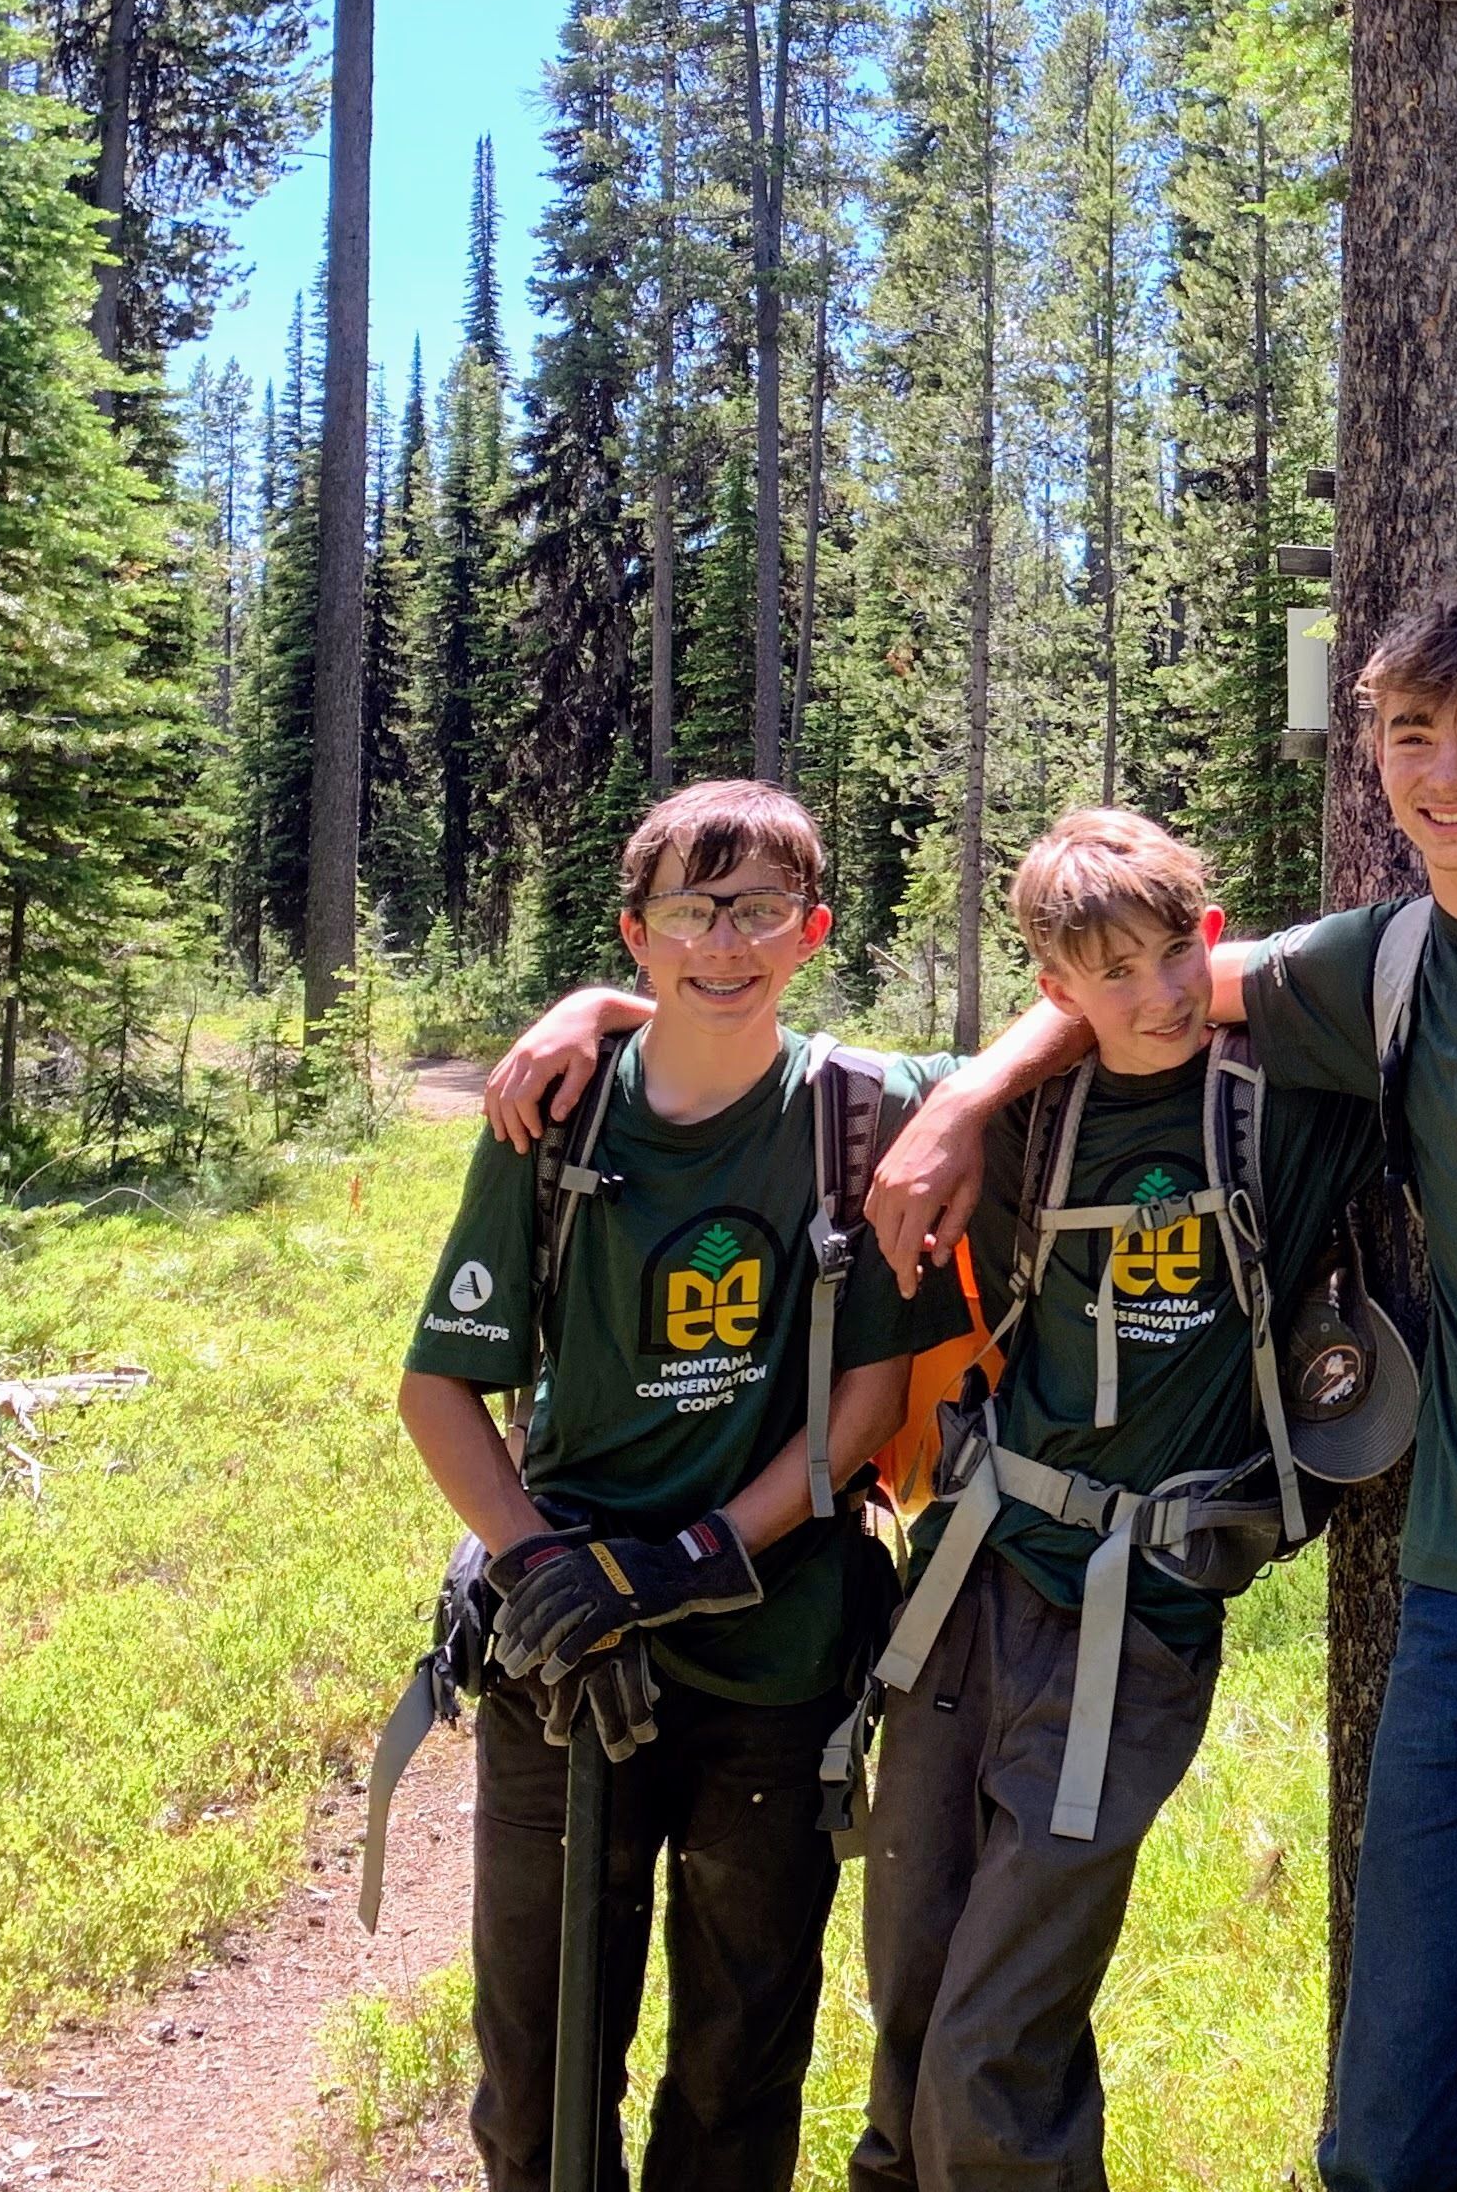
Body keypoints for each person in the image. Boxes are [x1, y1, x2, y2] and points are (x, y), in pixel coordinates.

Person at [835, 584, 1457, 2192]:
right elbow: (1143, 979)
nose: (1447, 773)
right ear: (1373, 758)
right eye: (1411, 739)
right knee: (1386, 2136)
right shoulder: (1376, 966)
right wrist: (968, 1092)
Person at [490, 806, 1378, 2192]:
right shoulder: (1034, 1108)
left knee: (989, 2051)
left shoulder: (1285, 1094)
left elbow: (1443, 952)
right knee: (907, 2016)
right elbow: (749, 1025)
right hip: (967, 1593)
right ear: (1052, 990)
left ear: (1207, 943)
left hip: (1132, 1619)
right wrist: (598, 1008)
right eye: (1107, 974)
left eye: (1171, 961)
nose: (1149, 1000)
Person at [397, 779, 920, 2192]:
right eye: (693, 911)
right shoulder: (552, 1129)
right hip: (559, 1667)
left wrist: (698, 1555)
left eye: (760, 911)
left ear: (811, 932)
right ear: (637, 932)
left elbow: (867, 1399)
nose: (727, 942)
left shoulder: (859, 1117)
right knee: (539, 2085)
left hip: (773, 1656)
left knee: (739, 2070)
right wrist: (540, 1564)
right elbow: (438, 1388)